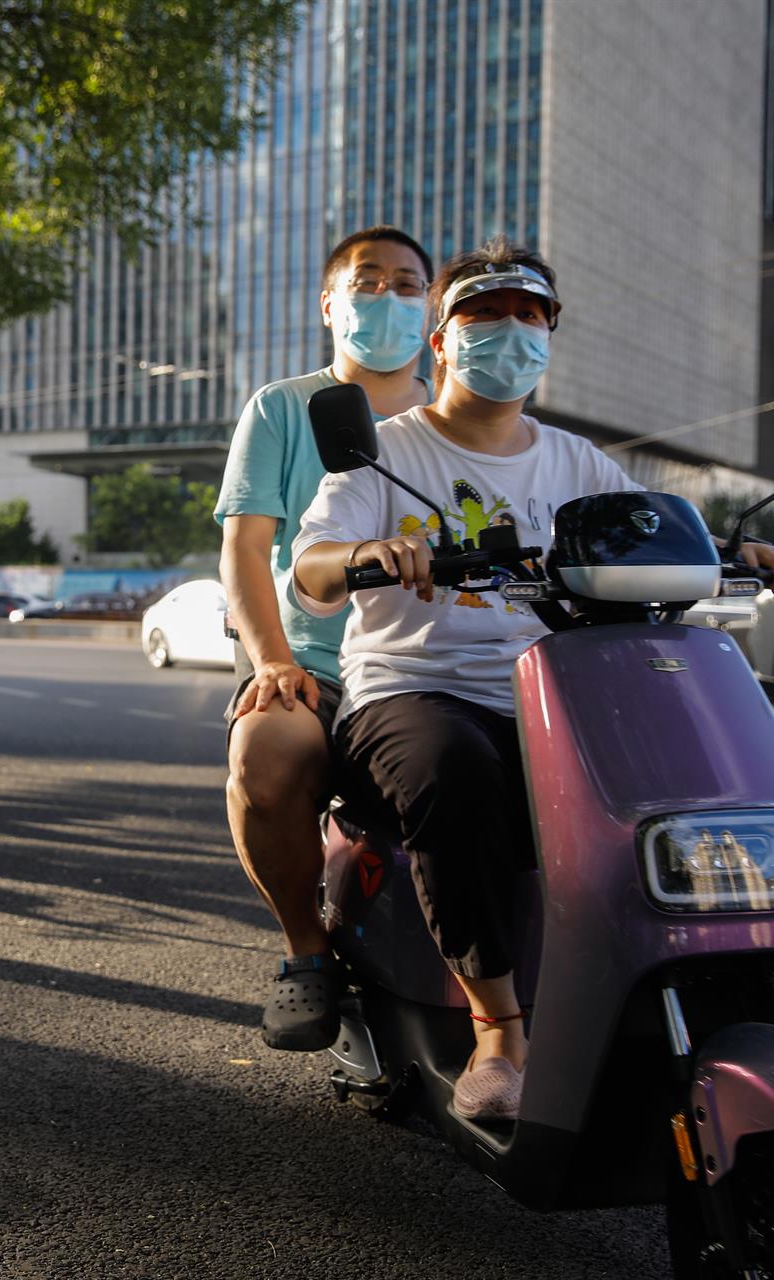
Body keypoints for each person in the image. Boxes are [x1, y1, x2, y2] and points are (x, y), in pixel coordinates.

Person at [290, 237, 774, 1120]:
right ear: (441, 339)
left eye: (530, 316)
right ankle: (500, 1034)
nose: (511, 333)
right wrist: (368, 552)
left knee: (693, 788)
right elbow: (310, 569)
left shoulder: (579, 465)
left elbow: (649, 543)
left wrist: (735, 553)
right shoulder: (382, 452)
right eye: (485, 315)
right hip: (416, 692)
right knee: (456, 774)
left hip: (561, 696)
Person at [213, 225, 434, 1052]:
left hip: (435, 664)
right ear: (329, 305)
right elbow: (244, 545)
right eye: (368, 283)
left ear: (434, 314)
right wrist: (271, 658)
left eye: (409, 285)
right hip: (313, 660)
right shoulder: (282, 407)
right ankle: (308, 952)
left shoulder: (466, 417)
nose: (388, 298)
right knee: (266, 762)